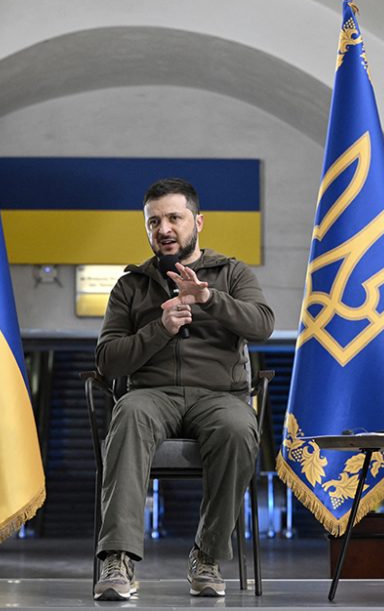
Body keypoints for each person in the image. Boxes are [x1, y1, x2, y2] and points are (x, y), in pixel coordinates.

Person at [93, 178, 274, 600]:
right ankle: (117, 559)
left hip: (219, 397)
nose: (164, 228)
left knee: (237, 428)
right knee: (130, 413)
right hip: (151, 395)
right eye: (154, 221)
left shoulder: (232, 272)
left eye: (174, 217)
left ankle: (207, 555)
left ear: (198, 221)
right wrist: (160, 329)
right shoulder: (130, 286)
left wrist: (210, 299)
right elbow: (107, 359)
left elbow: (263, 324)